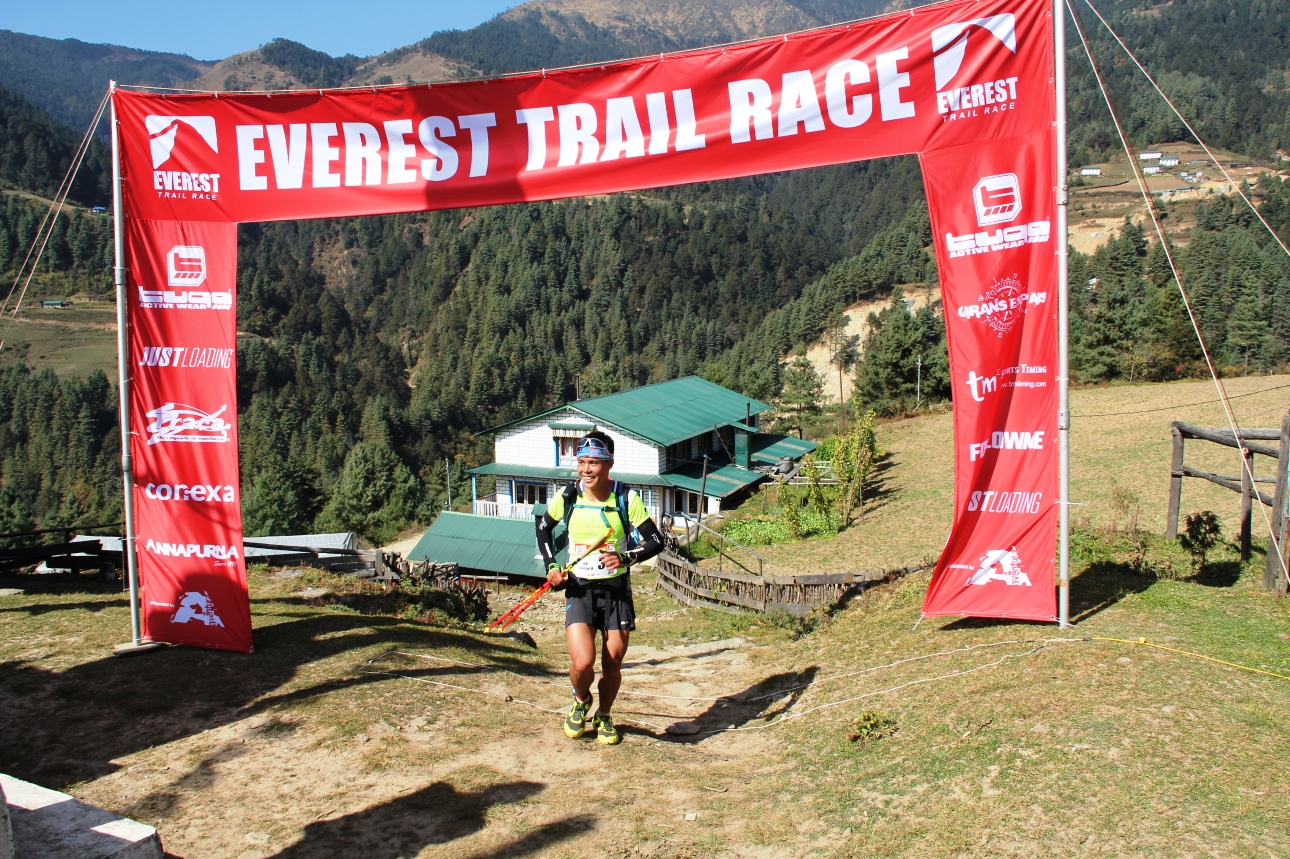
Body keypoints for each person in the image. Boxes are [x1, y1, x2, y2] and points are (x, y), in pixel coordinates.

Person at [536, 430, 665, 745]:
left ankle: (604, 715)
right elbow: (543, 529)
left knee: (613, 662)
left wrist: (624, 557)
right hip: (579, 589)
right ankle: (581, 700)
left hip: (616, 591)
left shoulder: (626, 498)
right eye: (581, 462)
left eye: (594, 463)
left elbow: (656, 540)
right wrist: (552, 567)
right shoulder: (568, 495)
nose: (586, 470)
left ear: (609, 464)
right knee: (582, 663)